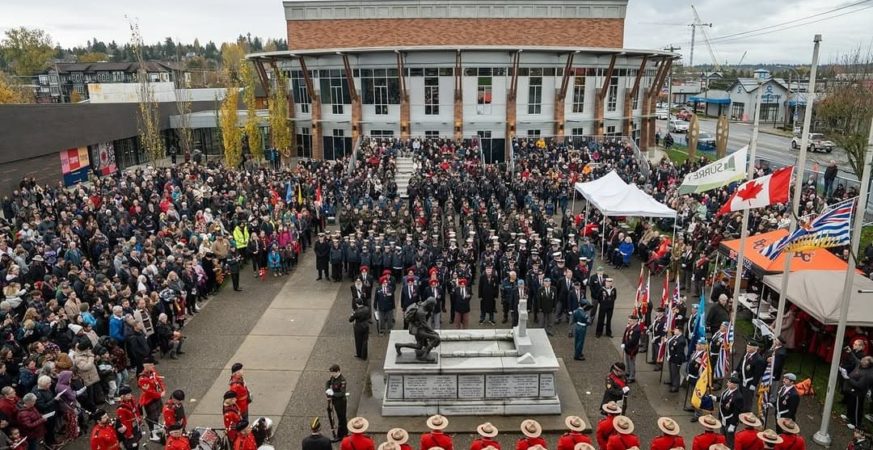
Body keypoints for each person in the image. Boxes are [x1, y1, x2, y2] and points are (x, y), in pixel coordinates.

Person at [733, 340, 766, 412]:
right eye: (747, 346)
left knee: (747, 398)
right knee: (740, 395)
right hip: (742, 379)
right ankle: (739, 409)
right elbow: (741, 362)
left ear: (755, 348)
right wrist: (736, 370)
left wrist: (754, 384)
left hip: (749, 382)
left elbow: (758, 374)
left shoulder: (758, 360)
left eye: (749, 347)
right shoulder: (746, 354)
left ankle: (746, 412)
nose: (747, 348)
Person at [137, 363, 165, 442]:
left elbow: (159, 380)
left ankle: (156, 429)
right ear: (145, 366)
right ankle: (152, 433)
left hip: (157, 397)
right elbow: (149, 392)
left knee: (157, 415)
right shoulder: (142, 379)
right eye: (151, 365)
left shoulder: (153, 372)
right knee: (151, 418)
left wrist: (163, 389)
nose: (153, 366)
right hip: (149, 400)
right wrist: (159, 394)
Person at [718, 376, 743, 448]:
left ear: (734, 385)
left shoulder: (738, 397)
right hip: (723, 418)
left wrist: (733, 424)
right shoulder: (727, 390)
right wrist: (715, 398)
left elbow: (736, 412)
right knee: (722, 437)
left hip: (730, 421)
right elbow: (724, 400)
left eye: (729, 382)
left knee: (729, 440)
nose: (727, 383)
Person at [116, 386, 143, 450]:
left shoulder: (131, 400)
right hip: (129, 430)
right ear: (122, 397)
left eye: (130, 393)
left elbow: (136, 411)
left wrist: (140, 421)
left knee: (137, 442)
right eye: (128, 394)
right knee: (132, 446)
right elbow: (124, 423)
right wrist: (129, 434)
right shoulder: (121, 409)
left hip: (135, 426)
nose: (130, 395)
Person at [327, 365, 348, 442]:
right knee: (341, 418)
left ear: (338, 371)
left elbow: (342, 393)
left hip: (341, 402)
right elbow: (328, 382)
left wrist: (332, 394)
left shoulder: (342, 380)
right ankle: (344, 433)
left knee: (341, 419)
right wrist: (327, 389)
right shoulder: (333, 377)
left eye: (333, 372)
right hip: (335, 401)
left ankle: (340, 435)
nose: (332, 374)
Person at [622, 315, 642, 383]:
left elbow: (633, 341)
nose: (629, 321)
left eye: (630, 321)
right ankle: (628, 372)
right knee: (627, 361)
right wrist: (623, 342)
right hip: (627, 347)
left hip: (632, 349)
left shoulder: (637, 329)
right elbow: (625, 335)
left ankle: (632, 376)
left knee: (631, 362)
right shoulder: (630, 326)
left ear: (635, 321)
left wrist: (625, 344)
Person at [666, 326, 687, 392]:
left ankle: (675, 386)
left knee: (675, 373)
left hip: (676, 358)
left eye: (676, 330)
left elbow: (679, 352)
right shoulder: (675, 336)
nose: (674, 330)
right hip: (671, 356)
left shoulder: (681, 340)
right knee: (671, 371)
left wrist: (678, 362)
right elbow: (671, 343)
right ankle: (672, 382)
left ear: (680, 331)